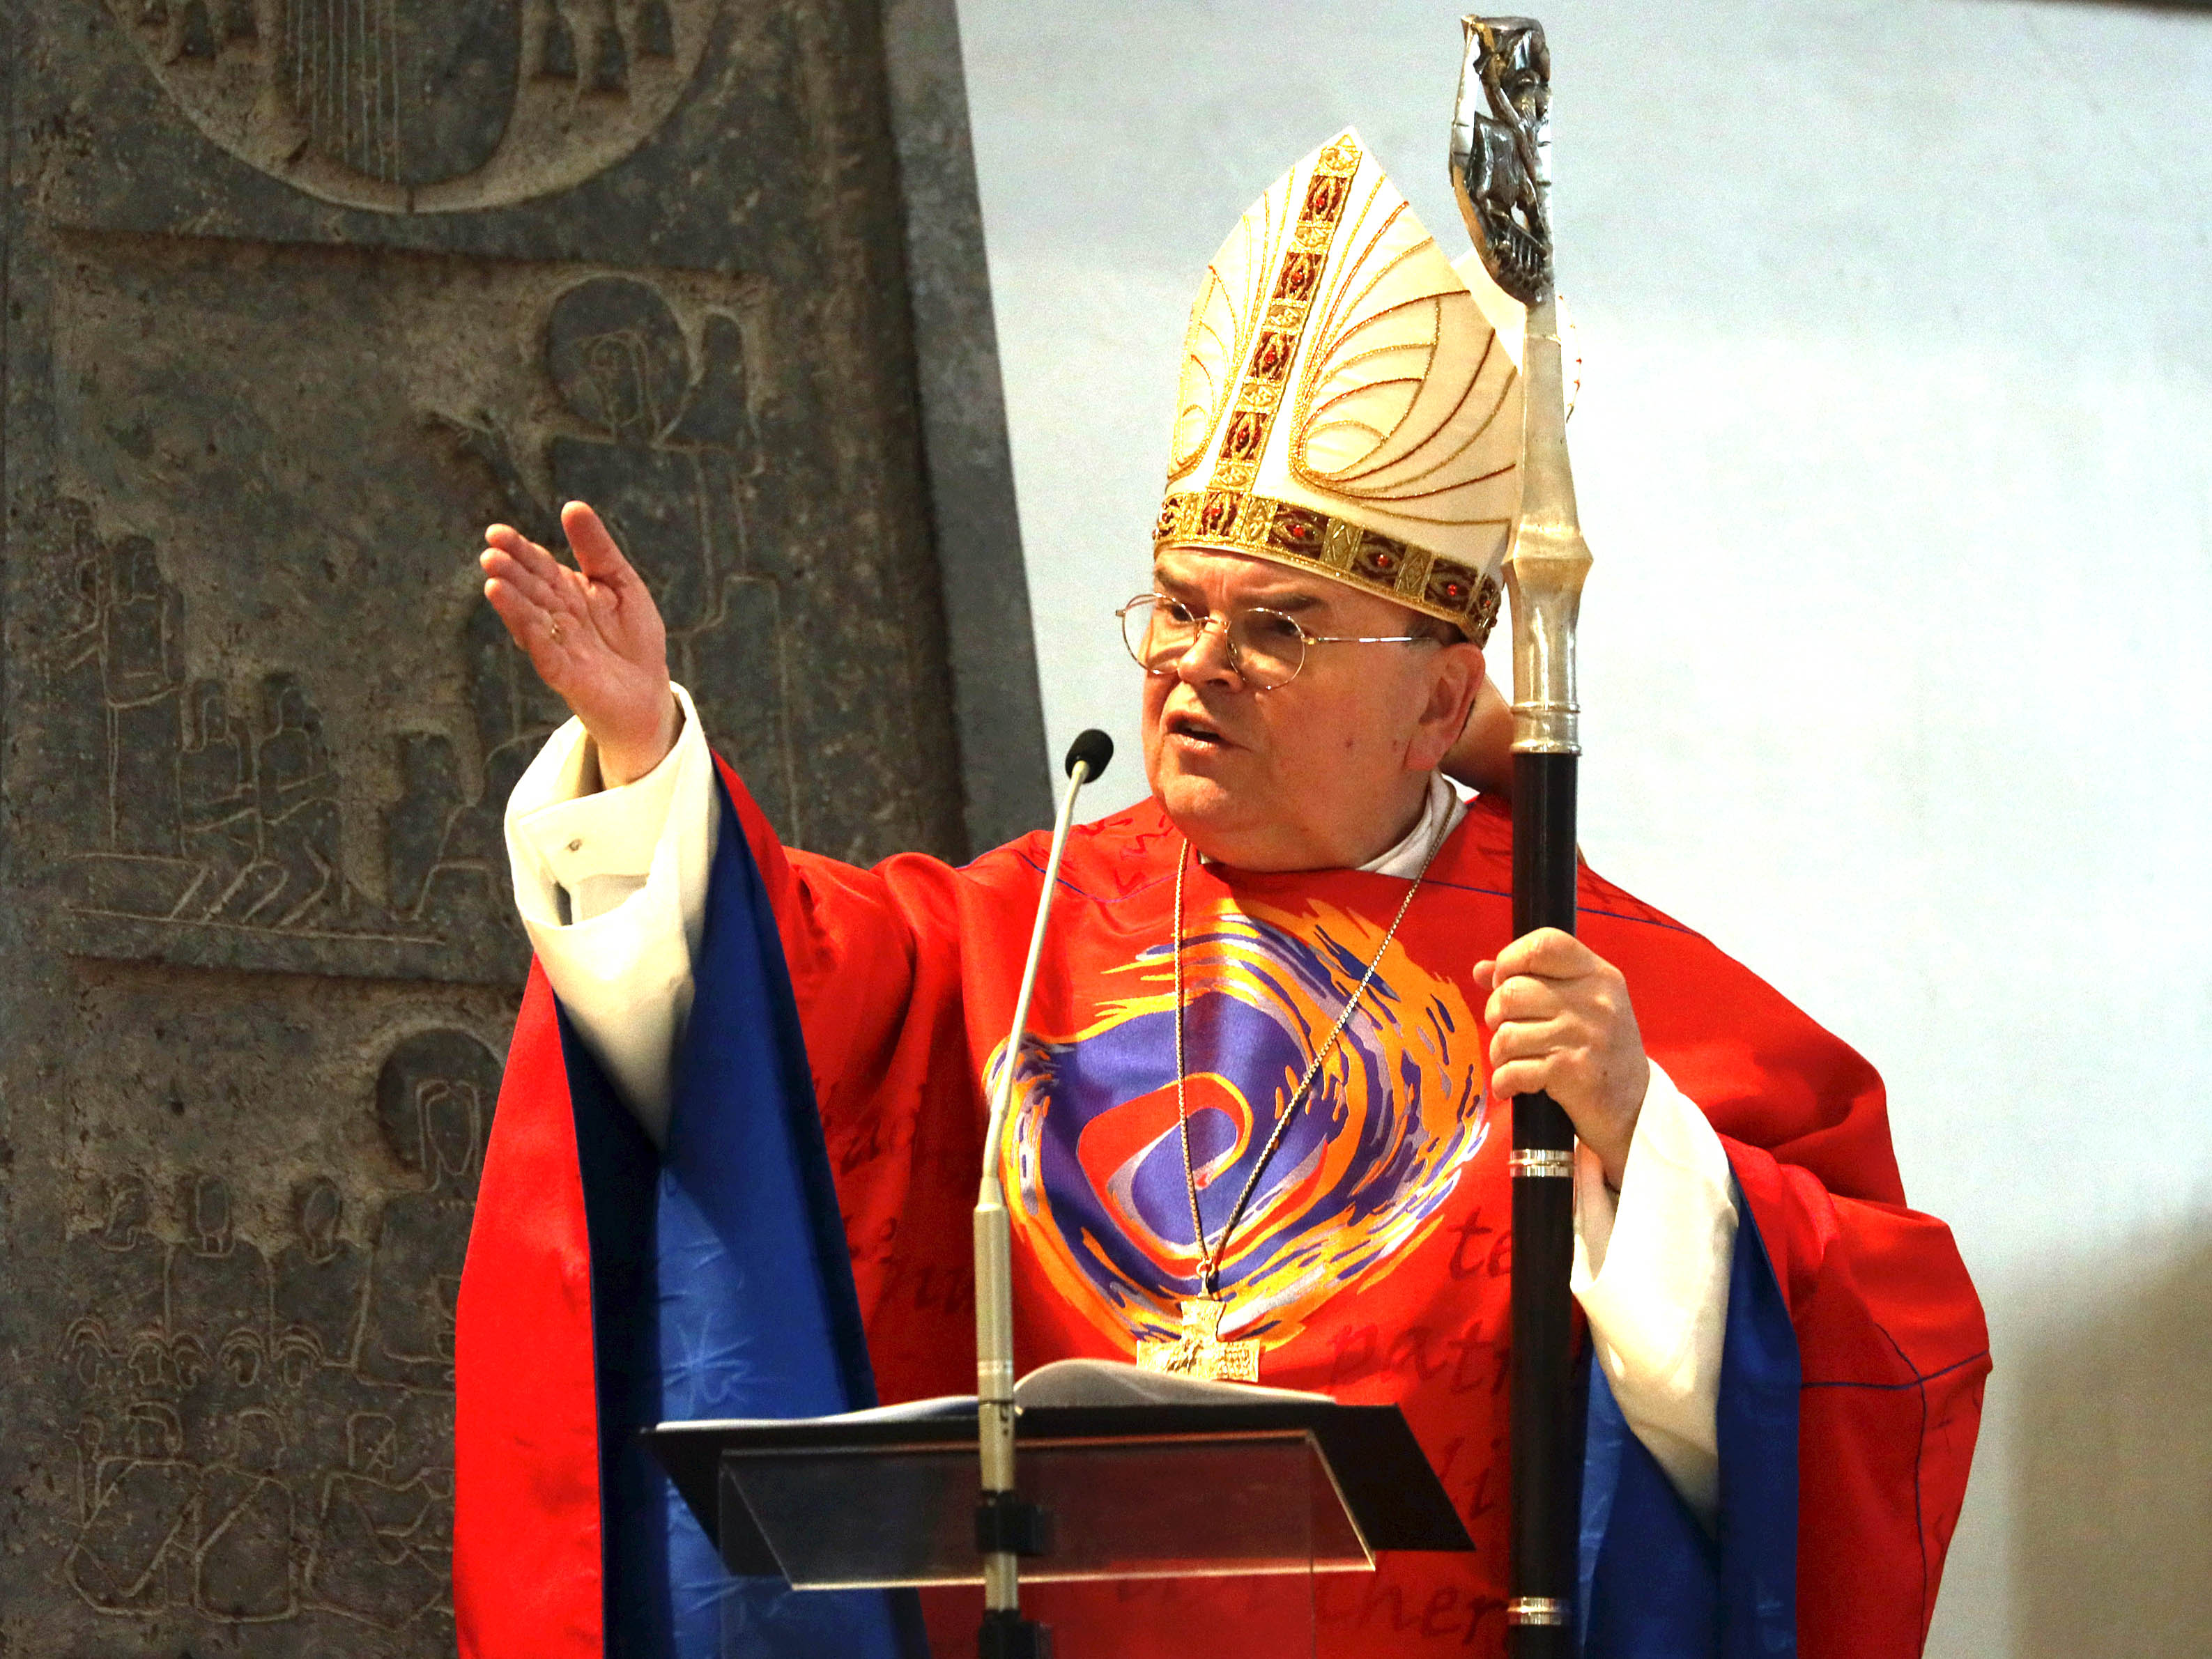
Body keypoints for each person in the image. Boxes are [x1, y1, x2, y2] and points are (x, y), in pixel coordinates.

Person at [453, 132, 1986, 1659]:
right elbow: (764, 1004)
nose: (1194, 665)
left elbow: (1888, 1340)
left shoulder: (1583, 977)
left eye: (1278, 631)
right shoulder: (1019, 931)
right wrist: (645, 755)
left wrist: (1644, 1144)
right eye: (1177, 608)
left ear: (1437, 699)